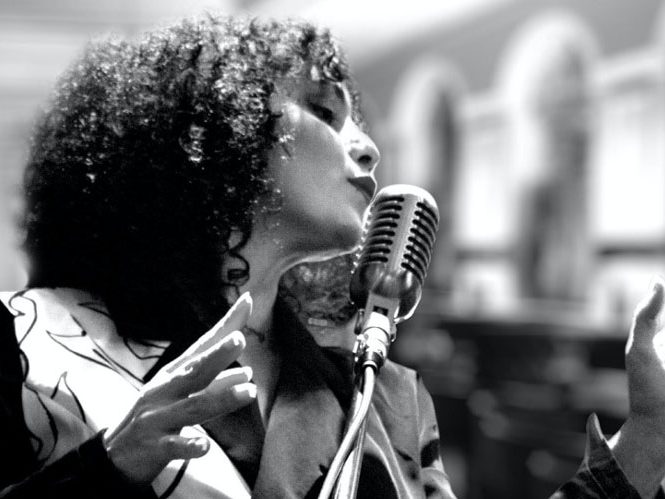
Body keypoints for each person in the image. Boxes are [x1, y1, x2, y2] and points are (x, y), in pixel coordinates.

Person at [0, 12, 665, 499]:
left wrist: (648, 436)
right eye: (324, 111)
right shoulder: (30, 343)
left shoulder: (390, 397)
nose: (369, 148)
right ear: (219, 134)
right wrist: (107, 468)